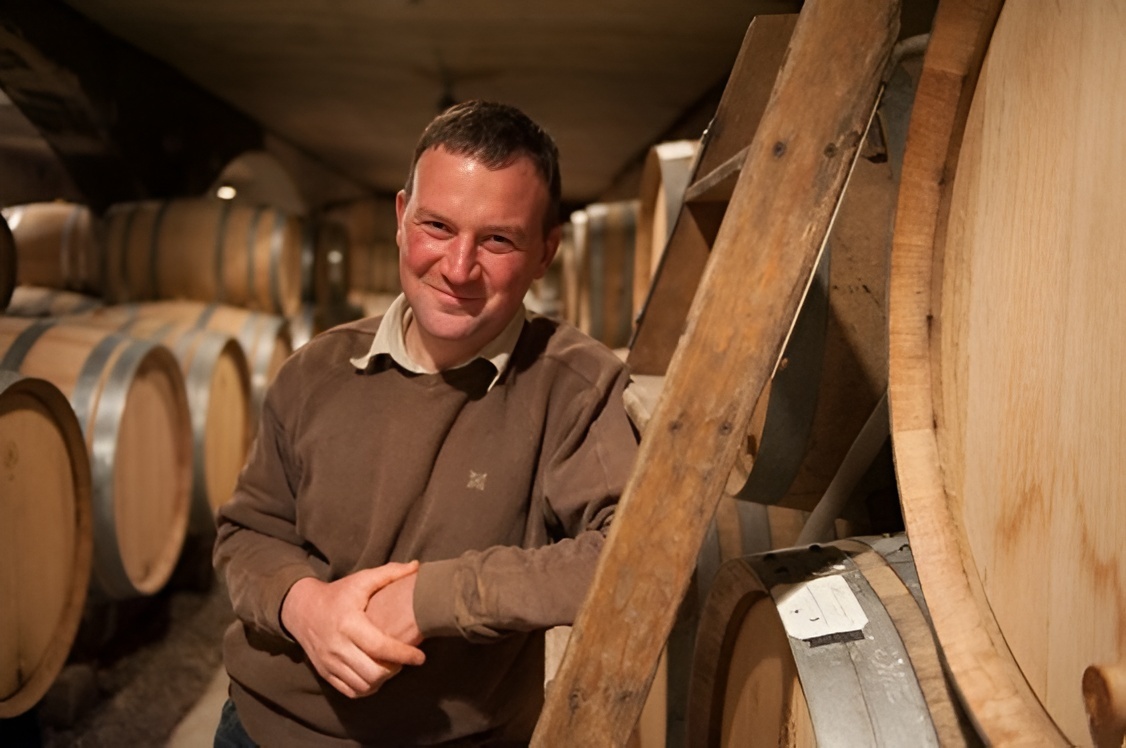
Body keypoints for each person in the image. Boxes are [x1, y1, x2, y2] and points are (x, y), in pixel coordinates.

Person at [212, 100, 640, 746]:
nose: (459, 267)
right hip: (263, 729)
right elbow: (245, 533)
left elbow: (630, 558)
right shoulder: (314, 371)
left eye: (498, 239)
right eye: (437, 226)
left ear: (546, 251)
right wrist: (304, 606)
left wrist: (430, 599)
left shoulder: (574, 385)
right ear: (401, 217)